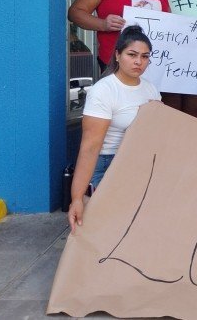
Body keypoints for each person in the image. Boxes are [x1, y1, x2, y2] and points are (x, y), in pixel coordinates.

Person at [67, 26, 161, 233]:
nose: (139, 61)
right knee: (104, 230)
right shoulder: (104, 90)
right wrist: (77, 198)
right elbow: (90, 147)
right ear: (117, 55)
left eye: (145, 57)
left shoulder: (150, 89)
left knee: (133, 229)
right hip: (107, 163)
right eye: (132, 55)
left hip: (137, 164)